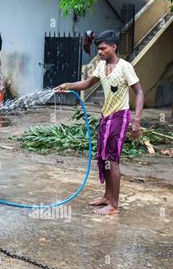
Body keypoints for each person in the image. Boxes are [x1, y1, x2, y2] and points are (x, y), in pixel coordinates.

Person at [54, 30, 144, 216]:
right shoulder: (101, 66)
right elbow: (87, 83)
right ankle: (107, 197)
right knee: (103, 159)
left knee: (113, 159)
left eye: (103, 48)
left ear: (113, 47)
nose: (100, 52)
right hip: (105, 118)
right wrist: (68, 85)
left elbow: (139, 92)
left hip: (120, 117)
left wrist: (136, 120)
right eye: (98, 49)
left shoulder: (125, 67)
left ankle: (114, 205)